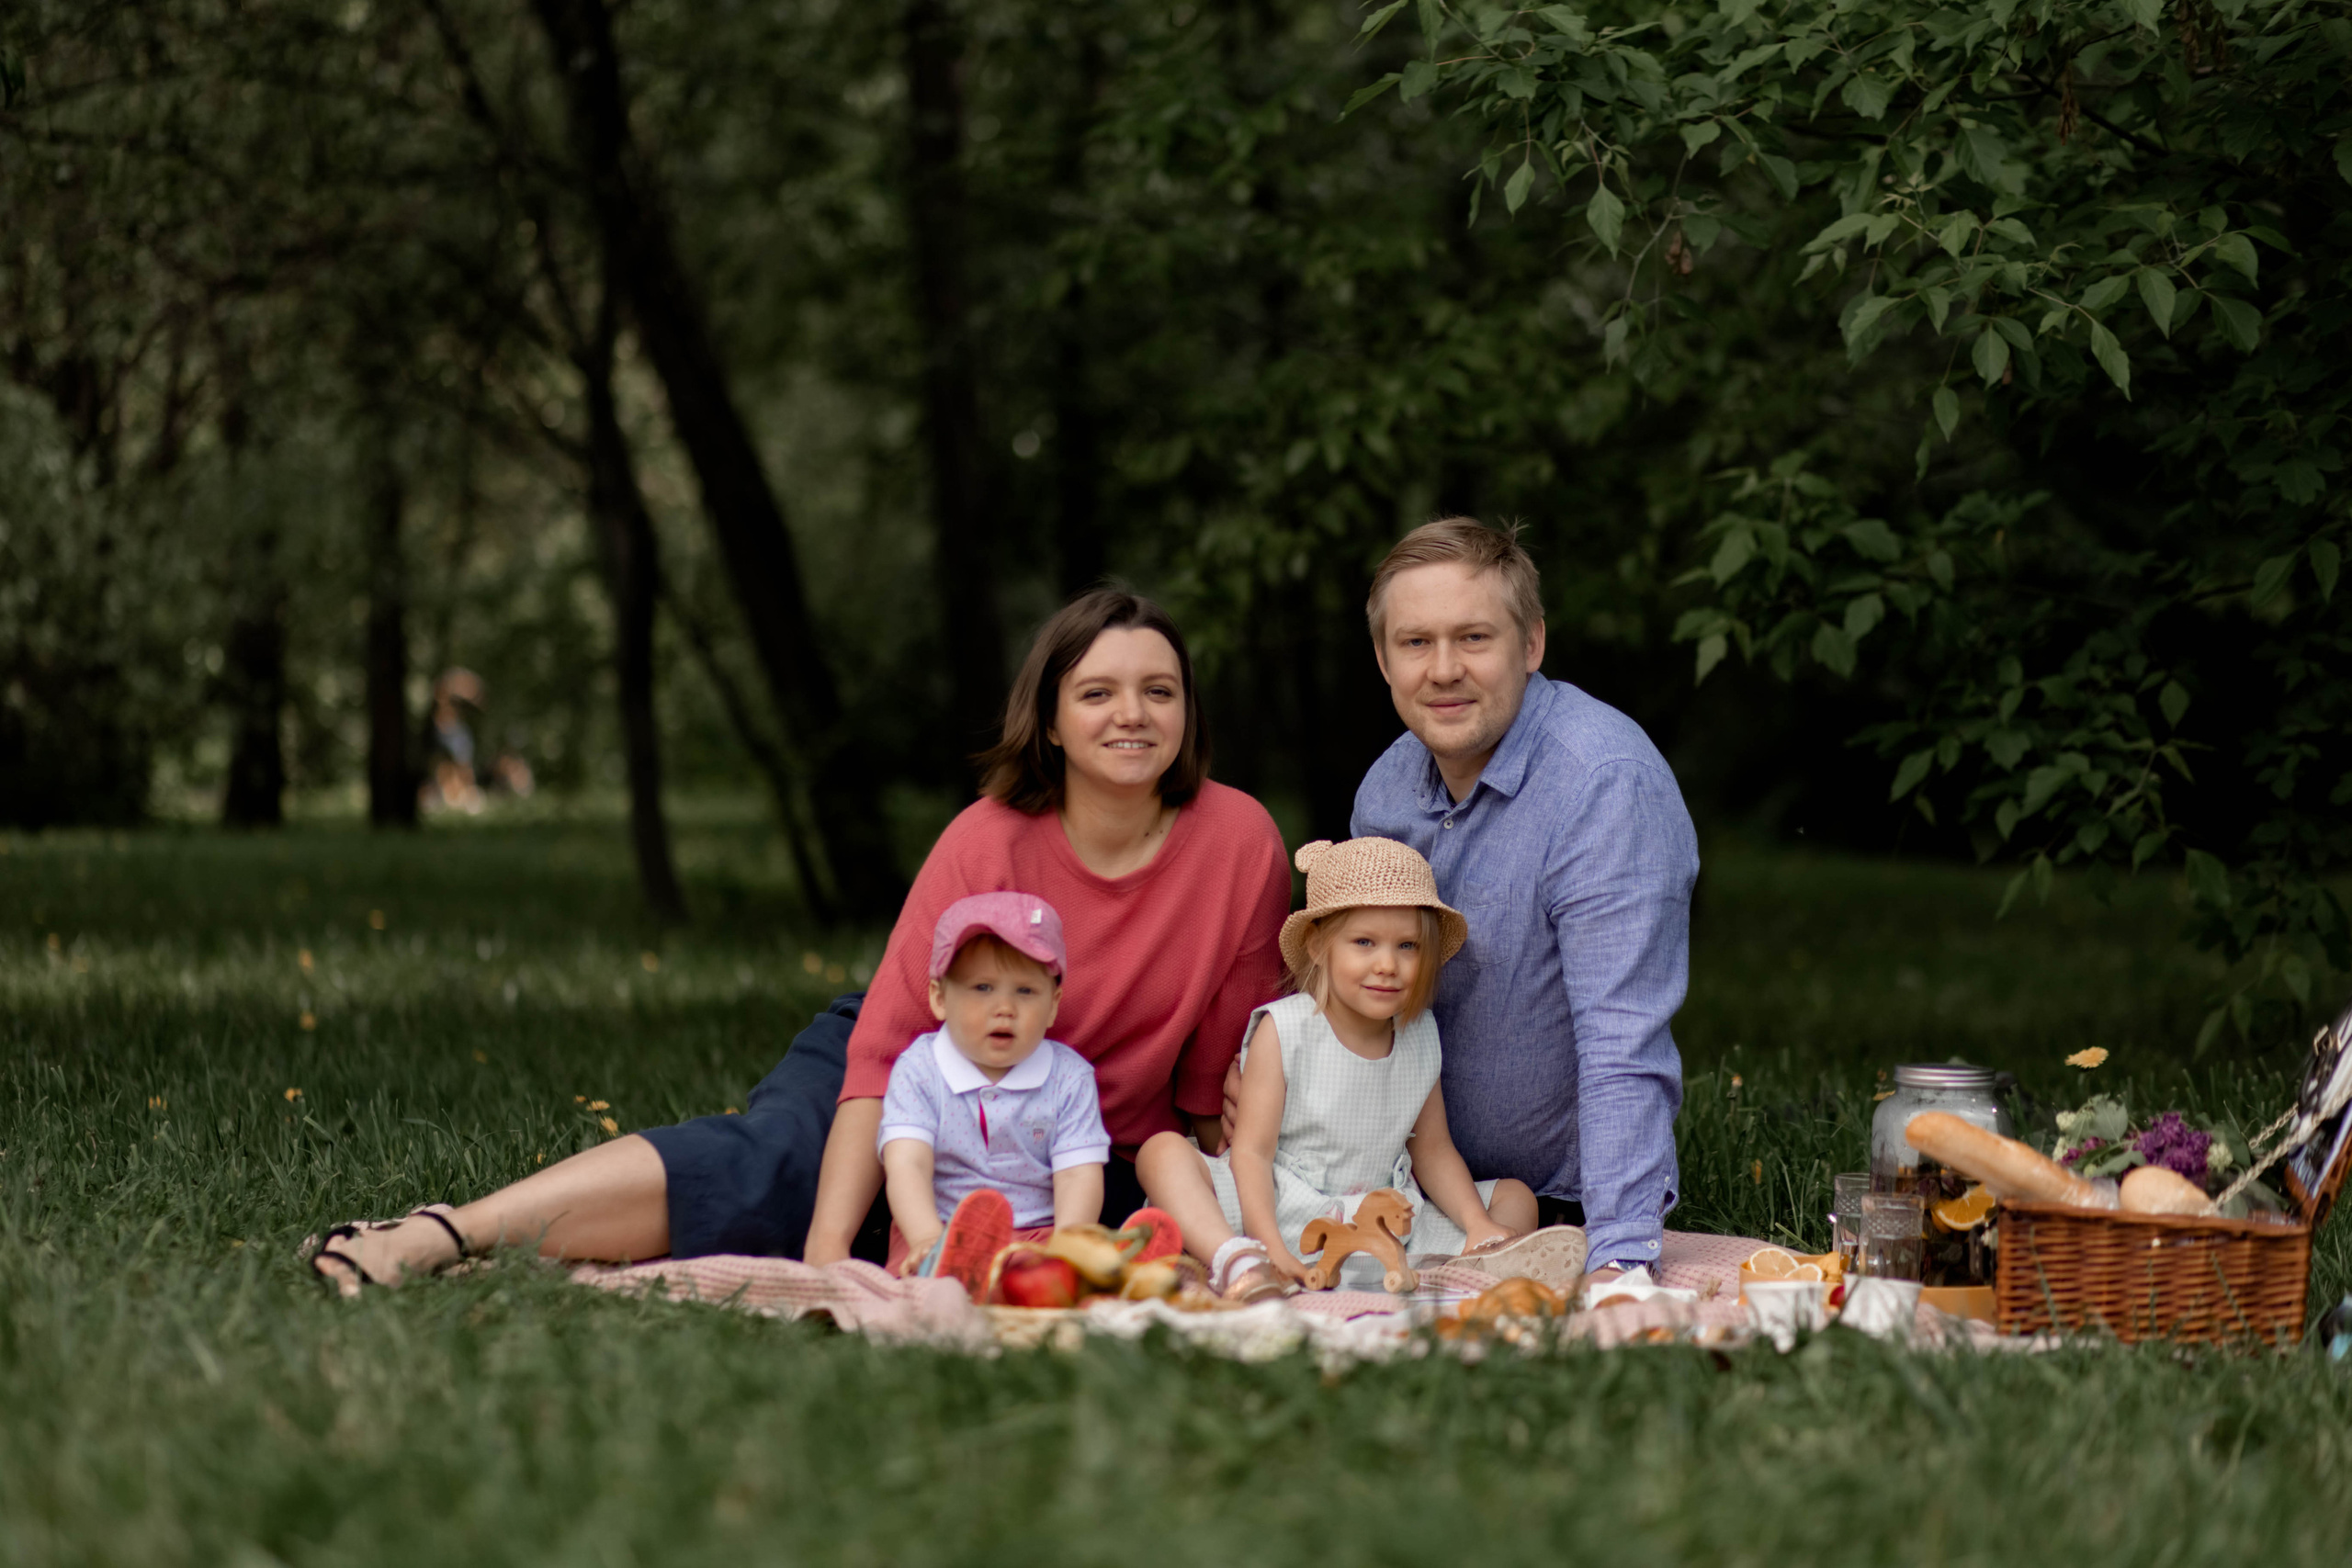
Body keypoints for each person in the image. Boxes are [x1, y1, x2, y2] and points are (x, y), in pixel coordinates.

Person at [309, 588, 1289, 1295]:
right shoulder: (987, 838)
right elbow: (884, 1053)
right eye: (1098, 693)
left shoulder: (1240, 840)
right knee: (778, 1172)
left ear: (1188, 712)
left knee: (1090, 1242)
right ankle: (444, 1232)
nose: (1132, 715)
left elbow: (1216, 1076)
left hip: (1077, 1135)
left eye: (1160, 691)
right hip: (911, 1064)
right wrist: (825, 1259)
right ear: (1053, 722)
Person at [1343, 519, 1701, 1289]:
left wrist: (1619, 1260)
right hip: (1409, 1197)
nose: (1444, 669)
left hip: (1564, 1209)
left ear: (1531, 643)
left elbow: (1622, 1037)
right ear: (1383, 659)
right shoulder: (1386, 790)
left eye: (1474, 637)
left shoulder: (1603, 782)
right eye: (1415, 642)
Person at [1141, 837, 1581, 1299]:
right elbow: (1252, 1154)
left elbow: (1433, 1151)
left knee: (1516, 1198)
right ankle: (1240, 1259)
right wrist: (1267, 1241)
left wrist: (1477, 1223)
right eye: (1364, 942)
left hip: (1382, 1218)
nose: (1387, 964)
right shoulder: (1286, 1029)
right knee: (1162, 1152)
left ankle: (1464, 1266)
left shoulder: (1418, 1034)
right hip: (1280, 1206)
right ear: (1318, 946)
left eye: (1407, 946)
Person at [876, 891, 1110, 1292]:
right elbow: (907, 1164)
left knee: (1053, 1287)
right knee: (921, 1292)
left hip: (1036, 1234)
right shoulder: (920, 1070)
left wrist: (1066, 1245)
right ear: (939, 997)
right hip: (940, 1230)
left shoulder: (1069, 1078)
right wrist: (926, 1238)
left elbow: (1078, 1176)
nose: (1005, 1008)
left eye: (1025, 991)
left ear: (1053, 1005)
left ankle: (1027, 1293)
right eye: (983, 987)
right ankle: (946, 1294)